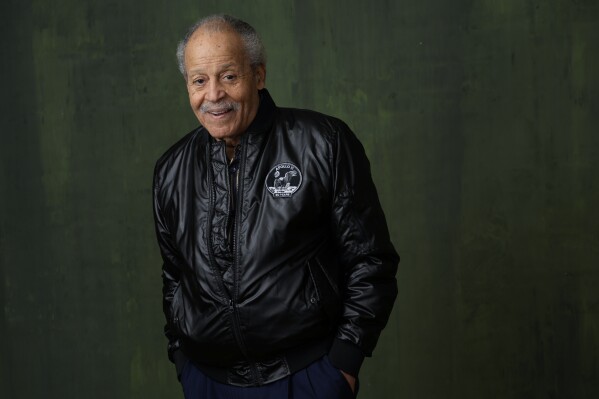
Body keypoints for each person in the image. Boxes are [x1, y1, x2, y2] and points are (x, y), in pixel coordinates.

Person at [152, 14, 399, 399]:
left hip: (305, 378)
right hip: (207, 382)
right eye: (199, 80)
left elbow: (371, 261)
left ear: (259, 76)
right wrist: (183, 361)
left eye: (229, 76)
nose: (213, 94)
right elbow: (174, 277)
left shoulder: (323, 144)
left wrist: (344, 364)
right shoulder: (171, 171)